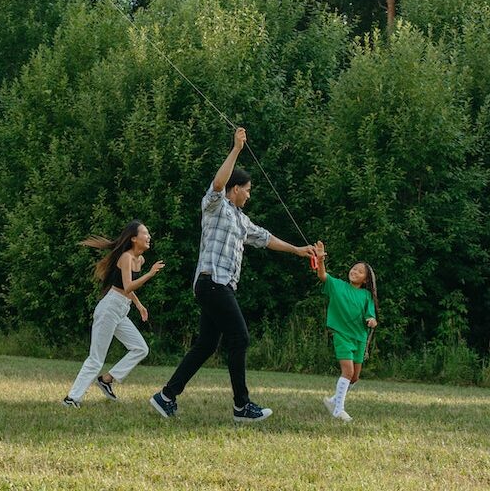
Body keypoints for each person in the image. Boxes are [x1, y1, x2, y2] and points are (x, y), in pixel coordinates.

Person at [150, 126, 316, 423]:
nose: (249, 195)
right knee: (239, 337)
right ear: (236, 188)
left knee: (206, 345)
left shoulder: (242, 220)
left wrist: (299, 250)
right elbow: (217, 183)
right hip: (212, 282)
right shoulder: (215, 207)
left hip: (220, 286)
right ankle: (242, 406)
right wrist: (237, 148)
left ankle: (166, 396)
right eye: (248, 190)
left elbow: (265, 238)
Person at [63, 220, 164, 407]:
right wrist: (149, 274)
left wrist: (139, 305)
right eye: (145, 233)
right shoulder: (125, 257)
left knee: (140, 348)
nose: (149, 236)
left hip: (121, 309)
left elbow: (127, 289)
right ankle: (72, 399)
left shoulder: (140, 260)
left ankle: (107, 379)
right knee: (96, 358)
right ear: (134, 238)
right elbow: (127, 286)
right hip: (109, 308)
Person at [311, 242, 377, 422]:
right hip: (342, 335)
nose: (354, 272)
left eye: (359, 272)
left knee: (354, 377)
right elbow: (322, 275)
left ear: (365, 280)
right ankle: (338, 409)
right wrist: (320, 260)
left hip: (360, 338)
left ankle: (333, 401)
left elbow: (371, 315)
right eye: (353, 269)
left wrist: (372, 320)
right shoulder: (337, 285)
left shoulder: (367, 296)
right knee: (347, 372)